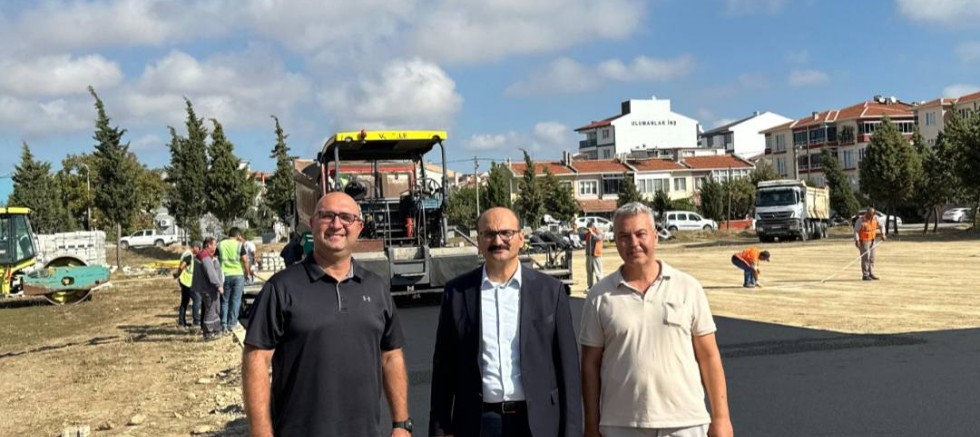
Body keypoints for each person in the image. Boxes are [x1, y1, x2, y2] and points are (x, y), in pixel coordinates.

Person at [243, 192, 410, 437]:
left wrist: (401, 424)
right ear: (312, 224)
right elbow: (256, 359)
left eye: (346, 217)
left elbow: (391, 357)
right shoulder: (281, 288)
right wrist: (261, 433)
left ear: (359, 228)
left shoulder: (375, 288)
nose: (336, 224)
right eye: (327, 216)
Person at [580, 202, 732, 437]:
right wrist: (591, 424)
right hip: (622, 425)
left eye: (641, 234)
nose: (633, 243)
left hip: (685, 422)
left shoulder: (688, 288)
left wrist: (721, 419)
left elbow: (709, 356)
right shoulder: (599, 296)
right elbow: (590, 365)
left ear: (655, 236)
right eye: (624, 236)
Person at [429, 207, 582, 437]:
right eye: (489, 234)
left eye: (506, 233)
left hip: (538, 423)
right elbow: (443, 370)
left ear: (521, 238)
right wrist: (440, 430)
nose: (498, 240)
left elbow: (568, 370)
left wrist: (572, 432)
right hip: (479, 423)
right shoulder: (458, 293)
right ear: (479, 240)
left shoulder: (550, 291)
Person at [218, 227, 251, 332]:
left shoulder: (220, 244)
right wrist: (247, 273)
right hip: (237, 275)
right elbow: (245, 260)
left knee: (225, 300)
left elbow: (215, 259)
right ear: (238, 236)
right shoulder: (239, 245)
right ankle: (232, 324)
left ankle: (223, 324)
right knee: (236, 300)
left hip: (224, 275)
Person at [193, 238, 224, 341]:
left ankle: (216, 329)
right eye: (214, 245)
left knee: (215, 308)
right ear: (208, 245)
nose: (215, 247)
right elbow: (211, 273)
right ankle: (208, 332)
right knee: (210, 309)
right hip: (207, 288)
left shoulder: (207, 256)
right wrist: (218, 285)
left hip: (207, 287)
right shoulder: (205, 257)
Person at [174, 241, 202, 327]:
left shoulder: (186, 253)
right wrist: (178, 273)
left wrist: (178, 275)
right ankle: (196, 321)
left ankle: (181, 322)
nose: (199, 251)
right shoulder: (189, 255)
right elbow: (182, 266)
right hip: (188, 282)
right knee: (197, 300)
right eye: (199, 249)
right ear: (195, 247)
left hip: (184, 281)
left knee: (184, 302)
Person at [853, 207, 886, 280]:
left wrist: (883, 234)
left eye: (871, 215)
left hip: (872, 241)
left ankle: (871, 273)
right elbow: (856, 231)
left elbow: (882, 226)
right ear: (867, 213)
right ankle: (865, 275)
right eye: (868, 214)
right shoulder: (860, 220)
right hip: (864, 241)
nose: (869, 216)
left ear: (873, 214)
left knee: (872, 258)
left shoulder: (876, 219)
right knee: (865, 258)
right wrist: (857, 240)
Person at [584, 220, 604, 288]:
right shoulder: (588, 233)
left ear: (592, 226)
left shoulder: (599, 231)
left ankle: (600, 286)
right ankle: (590, 286)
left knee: (598, 272)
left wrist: (592, 233)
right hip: (589, 255)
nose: (588, 229)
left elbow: (599, 238)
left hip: (596, 255)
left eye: (589, 228)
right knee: (589, 272)